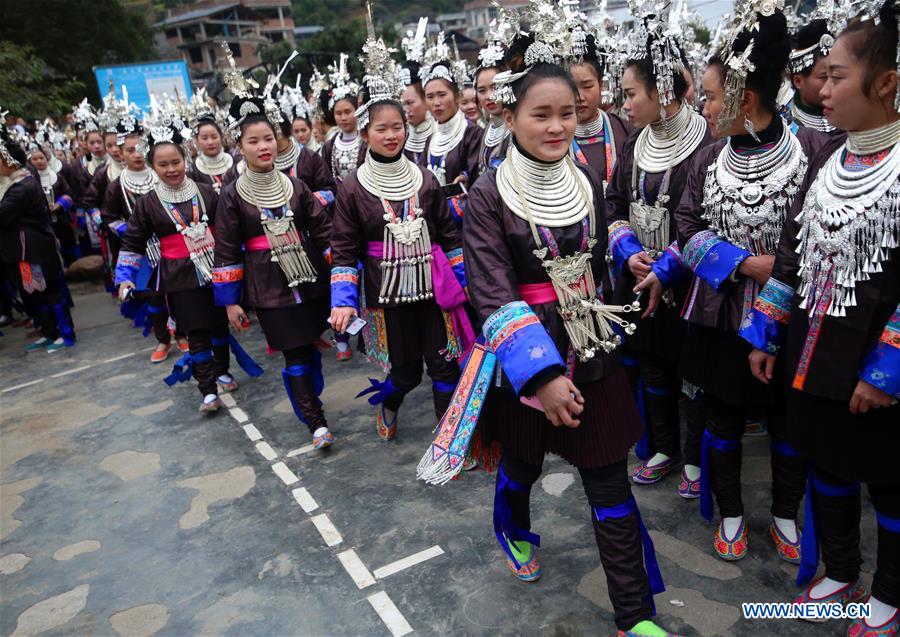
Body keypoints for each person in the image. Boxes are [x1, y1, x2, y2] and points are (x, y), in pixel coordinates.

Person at [463, 14, 676, 635]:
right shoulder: (487, 193)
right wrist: (541, 375)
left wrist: (623, 266)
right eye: (541, 114)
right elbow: (492, 289)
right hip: (528, 357)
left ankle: (633, 616)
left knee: (610, 482)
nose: (558, 125)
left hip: (593, 343)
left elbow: (592, 251)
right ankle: (512, 525)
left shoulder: (584, 176)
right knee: (524, 464)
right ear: (509, 118)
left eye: (568, 112)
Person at [740, 4, 899, 632]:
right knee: (825, 459)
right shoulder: (829, 159)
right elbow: (791, 250)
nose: (822, 88)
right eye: (820, 77)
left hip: (876, 356)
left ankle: (890, 589)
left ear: (885, 82)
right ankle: (839, 567)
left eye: (835, 76)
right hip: (815, 345)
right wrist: (768, 328)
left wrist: (887, 368)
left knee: (889, 480)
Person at [675, 5, 828, 563]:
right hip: (718, 313)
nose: (703, 107)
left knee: (789, 423)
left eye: (712, 97)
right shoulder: (708, 158)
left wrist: (778, 274)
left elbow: (815, 234)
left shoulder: (814, 154)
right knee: (723, 419)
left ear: (745, 96)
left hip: (788, 316)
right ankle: (732, 512)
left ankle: (785, 514)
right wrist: (743, 263)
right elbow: (685, 228)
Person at [330, 22, 469, 440]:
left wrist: (466, 285)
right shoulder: (353, 187)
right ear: (366, 134)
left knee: (445, 366)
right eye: (380, 129)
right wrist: (343, 301)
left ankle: (448, 437)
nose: (391, 135)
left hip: (433, 289)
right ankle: (390, 400)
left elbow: (450, 237)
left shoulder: (424, 179)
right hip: (386, 294)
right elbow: (343, 249)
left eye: (397, 127)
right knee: (406, 373)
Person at [604, 3, 711, 492]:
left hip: (689, 280)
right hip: (638, 272)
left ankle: (694, 458)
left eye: (630, 94)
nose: (623, 104)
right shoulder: (633, 143)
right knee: (652, 366)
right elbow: (614, 202)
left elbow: (710, 219)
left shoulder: (707, 143)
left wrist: (669, 267)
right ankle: (663, 445)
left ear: (661, 89)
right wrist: (627, 250)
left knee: (692, 372)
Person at [212, 57, 336, 450]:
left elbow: (323, 229)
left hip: (310, 278)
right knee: (294, 355)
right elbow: (227, 248)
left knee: (310, 347)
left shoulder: (295, 185)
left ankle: (311, 403)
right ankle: (315, 423)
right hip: (269, 287)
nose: (263, 146)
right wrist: (231, 302)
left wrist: (342, 268)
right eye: (253, 141)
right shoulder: (232, 194)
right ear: (239, 145)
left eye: (268, 138)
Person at [116, 104, 260, 412]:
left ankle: (222, 370)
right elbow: (133, 240)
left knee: (221, 325)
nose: (171, 169)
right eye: (163, 164)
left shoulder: (207, 191)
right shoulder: (148, 204)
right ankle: (207, 389)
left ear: (185, 159)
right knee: (196, 332)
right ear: (154, 167)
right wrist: (124, 277)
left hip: (216, 269)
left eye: (176, 162)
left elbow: (229, 228)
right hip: (179, 277)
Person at [103, 116, 187, 362]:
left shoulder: (162, 177)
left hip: (170, 246)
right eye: (130, 150)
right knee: (153, 297)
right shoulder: (116, 185)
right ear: (120, 152)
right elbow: (107, 216)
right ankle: (162, 338)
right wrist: (130, 231)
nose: (136, 154)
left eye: (140, 149)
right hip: (141, 251)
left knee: (179, 293)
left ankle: (182, 334)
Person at [0, 125, 75, 352]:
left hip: (35, 249)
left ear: (9, 162)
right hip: (25, 251)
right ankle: (49, 332)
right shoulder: (14, 184)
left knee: (50, 291)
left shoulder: (22, 186)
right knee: (35, 291)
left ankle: (64, 333)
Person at [419, 42, 483, 226]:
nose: (436, 102)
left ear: (456, 96)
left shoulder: (472, 134)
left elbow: (477, 180)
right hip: (435, 224)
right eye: (430, 97)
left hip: (467, 225)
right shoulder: (431, 140)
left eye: (441, 95)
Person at [787, 18, 839, 134]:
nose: (833, 85)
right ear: (798, 81)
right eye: (824, 77)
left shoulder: (856, 118)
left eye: (837, 76)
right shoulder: (784, 129)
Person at [27, 144, 76, 265]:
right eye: (35, 159)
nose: (39, 161)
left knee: (68, 245)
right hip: (43, 222)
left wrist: (58, 205)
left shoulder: (57, 177)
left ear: (46, 159)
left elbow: (69, 194)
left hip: (62, 219)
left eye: (41, 158)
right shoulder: (29, 181)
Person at [474, 30, 511, 173]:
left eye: (495, 87)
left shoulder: (519, 129)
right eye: (482, 91)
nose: (489, 96)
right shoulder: (489, 128)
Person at [187, 90, 235, 196]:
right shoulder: (193, 170)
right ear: (196, 140)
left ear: (221, 136)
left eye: (214, 137)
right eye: (204, 138)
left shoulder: (235, 161)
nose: (210, 142)